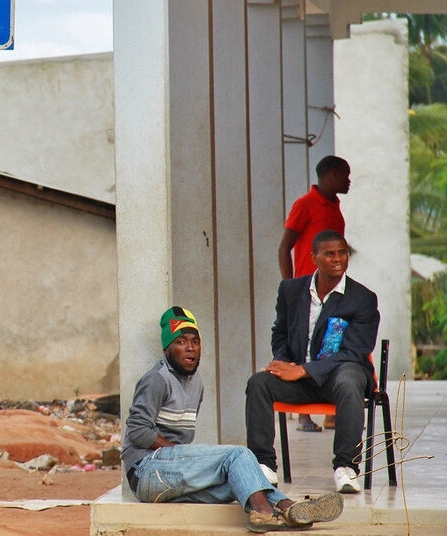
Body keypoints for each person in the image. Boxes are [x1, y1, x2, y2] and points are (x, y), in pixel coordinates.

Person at [123, 306, 343, 533]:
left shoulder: (195, 382)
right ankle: (263, 514)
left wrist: (185, 459)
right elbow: (138, 432)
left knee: (238, 480)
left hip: (167, 478)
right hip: (147, 471)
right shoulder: (158, 379)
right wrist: (180, 455)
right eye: (180, 341)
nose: (190, 348)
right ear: (167, 348)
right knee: (239, 455)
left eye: (195, 341)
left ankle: (290, 508)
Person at [246, 230, 380, 494]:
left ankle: (346, 467)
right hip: (300, 380)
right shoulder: (291, 290)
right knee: (259, 383)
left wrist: (303, 370)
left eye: (342, 253)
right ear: (314, 257)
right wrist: (282, 363)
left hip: (339, 377)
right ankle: (263, 465)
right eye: (329, 254)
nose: (337, 259)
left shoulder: (362, 299)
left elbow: (354, 351)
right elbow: (280, 333)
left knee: (349, 379)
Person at [278, 155, 351, 433]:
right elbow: (284, 247)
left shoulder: (335, 208)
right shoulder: (305, 204)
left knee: (331, 343)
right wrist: (291, 289)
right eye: (345, 175)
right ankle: (303, 415)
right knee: (301, 346)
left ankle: (331, 410)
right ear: (331, 174)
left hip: (332, 290)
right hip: (306, 290)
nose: (348, 181)